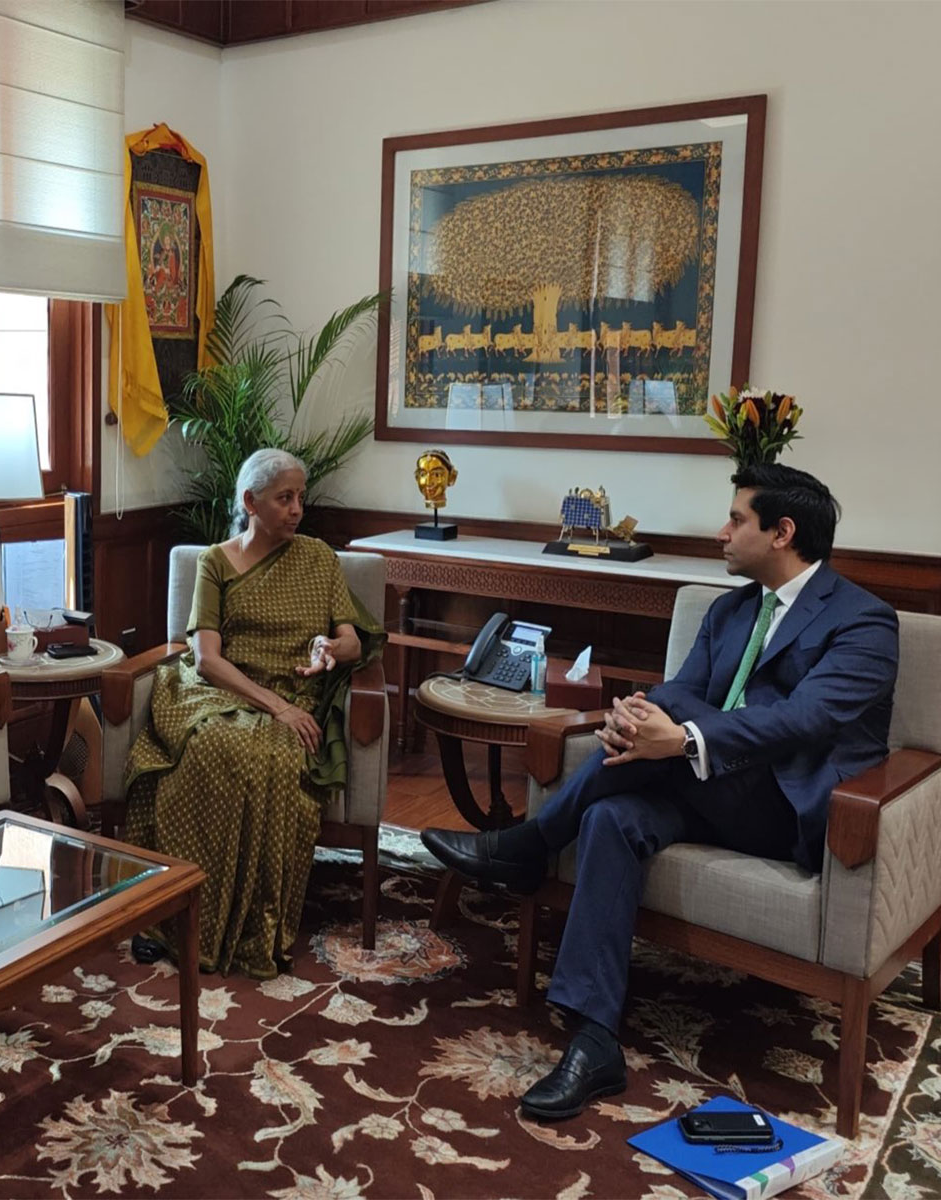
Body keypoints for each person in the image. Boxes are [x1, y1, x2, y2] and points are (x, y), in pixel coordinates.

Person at [421, 464, 899, 1121]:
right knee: (613, 815)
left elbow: (807, 720)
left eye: (737, 520)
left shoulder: (864, 621)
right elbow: (676, 704)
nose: (721, 532)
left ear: (783, 532)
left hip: (785, 809)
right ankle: (594, 1043)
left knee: (663, 725)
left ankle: (529, 843)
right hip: (702, 789)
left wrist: (681, 738)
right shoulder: (729, 609)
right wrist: (636, 720)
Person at [123, 448, 384, 978]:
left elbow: (353, 641)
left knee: (272, 760)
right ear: (251, 502)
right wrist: (277, 707)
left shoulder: (317, 559)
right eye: (284, 498)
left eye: (300, 498)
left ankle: (247, 928)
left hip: (294, 692)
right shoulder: (215, 562)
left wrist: (329, 651)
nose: (296, 510)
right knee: (212, 746)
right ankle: (169, 918)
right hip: (220, 690)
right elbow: (207, 660)